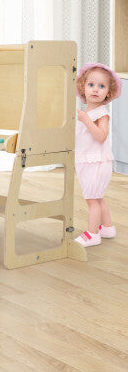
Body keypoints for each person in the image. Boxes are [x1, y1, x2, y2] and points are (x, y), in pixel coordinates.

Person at [74, 63, 122, 247]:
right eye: (91, 85)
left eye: (101, 86)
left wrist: (86, 121)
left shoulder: (101, 114)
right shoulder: (86, 113)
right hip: (89, 162)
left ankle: (92, 234)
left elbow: (101, 136)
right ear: (83, 88)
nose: (95, 89)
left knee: (92, 200)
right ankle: (107, 228)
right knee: (97, 197)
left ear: (108, 93)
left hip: (96, 163)